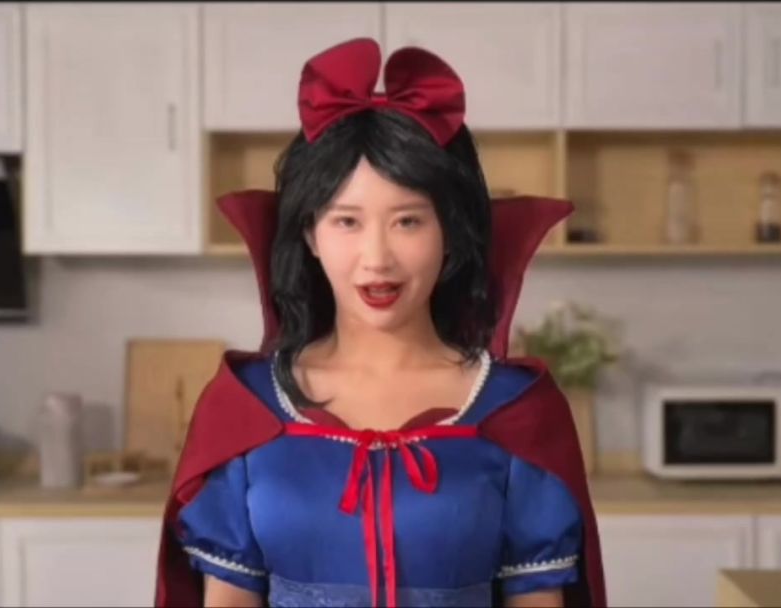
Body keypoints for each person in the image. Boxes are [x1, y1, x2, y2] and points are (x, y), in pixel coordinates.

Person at [155, 37, 606, 608]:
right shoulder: (245, 408)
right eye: (347, 221)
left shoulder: (518, 411)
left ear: (451, 233)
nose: (377, 258)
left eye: (408, 222)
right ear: (309, 234)